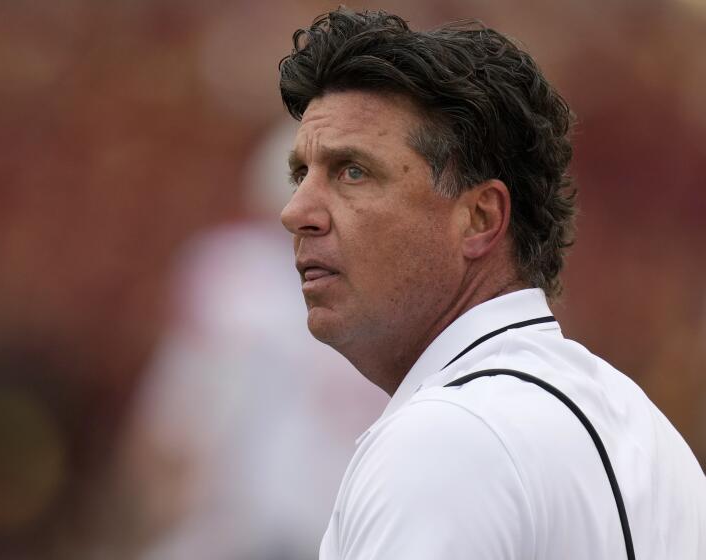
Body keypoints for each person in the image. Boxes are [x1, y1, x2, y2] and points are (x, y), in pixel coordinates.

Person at [277, 8, 706, 560]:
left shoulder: (446, 439)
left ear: (480, 218)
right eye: (300, 174)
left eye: (352, 171)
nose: (296, 212)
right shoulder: (646, 433)